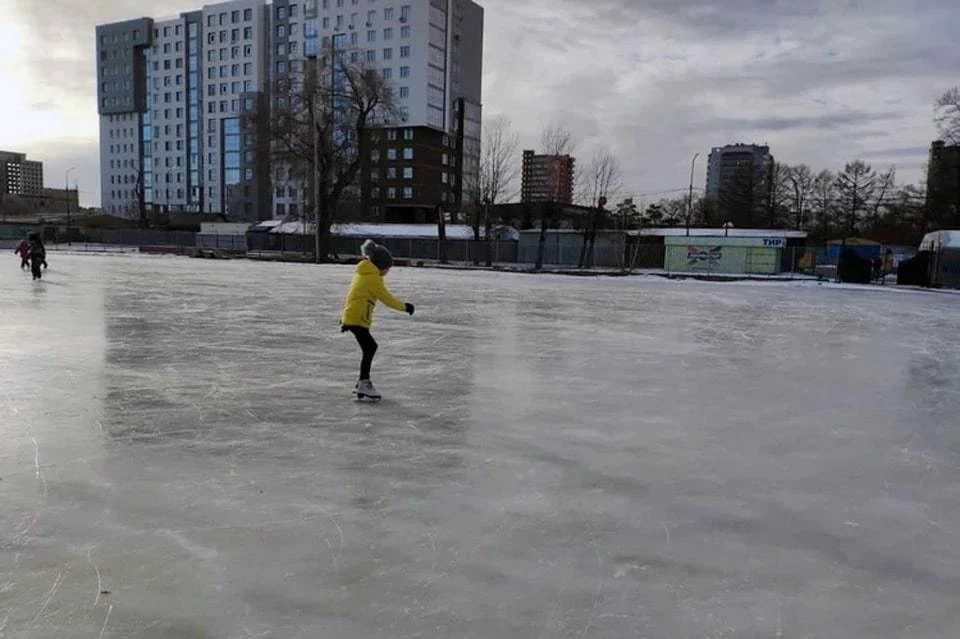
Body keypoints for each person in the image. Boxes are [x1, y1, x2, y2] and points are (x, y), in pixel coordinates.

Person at [340, 239, 415, 399]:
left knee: (370, 347)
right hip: (358, 318)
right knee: (370, 347)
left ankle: (363, 382)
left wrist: (346, 319)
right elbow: (387, 298)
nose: (388, 271)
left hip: (355, 317)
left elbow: (353, 297)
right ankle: (364, 383)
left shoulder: (364, 273)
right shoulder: (372, 278)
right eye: (388, 268)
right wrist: (405, 307)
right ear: (381, 266)